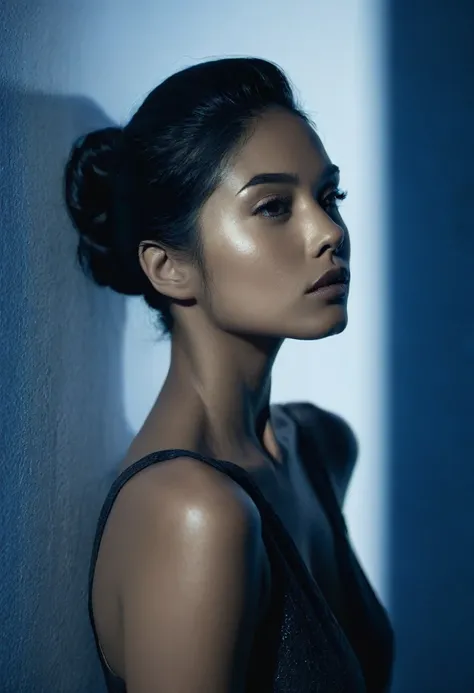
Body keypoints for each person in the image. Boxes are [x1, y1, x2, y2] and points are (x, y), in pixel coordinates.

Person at [64, 56, 395, 693]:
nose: (330, 232)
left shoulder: (322, 448)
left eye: (330, 197)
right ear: (168, 268)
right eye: (273, 207)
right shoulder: (192, 516)